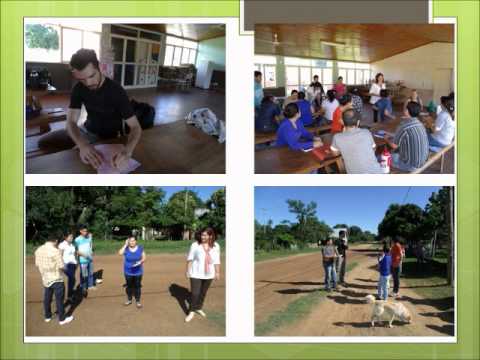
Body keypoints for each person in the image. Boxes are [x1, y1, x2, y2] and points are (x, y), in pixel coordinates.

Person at [50, 49, 141, 170]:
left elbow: (135, 127)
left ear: (99, 68)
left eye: (92, 76)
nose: (88, 83)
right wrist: (82, 144)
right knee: (46, 142)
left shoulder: (116, 91)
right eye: (81, 79)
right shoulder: (78, 89)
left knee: (75, 163)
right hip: (86, 131)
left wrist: (127, 152)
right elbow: (71, 122)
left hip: (110, 137)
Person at [34, 238, 74, 325]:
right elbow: (62, 266)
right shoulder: (55, 251)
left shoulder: (38, 249)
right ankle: (62, 319)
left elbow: (37, 264)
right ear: (55, 240)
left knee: (47, 298)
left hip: (45, 279)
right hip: (56, 279)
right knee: (59, 300)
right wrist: (67, 269)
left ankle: (47, 316)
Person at [185, 228, 221, 322]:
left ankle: (198, 307)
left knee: (203, 293)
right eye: (202, 235)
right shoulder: (195, 245)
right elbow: (190, 259)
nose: (203, 237)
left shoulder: (216, 246)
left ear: (211, 235)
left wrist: (217, 272)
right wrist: (188, 271)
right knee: (195, 293)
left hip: (209, 274)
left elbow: (217, 260)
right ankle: (191, 311)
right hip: (196, 273)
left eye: (205, 235)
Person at [330, 109, 383, 174]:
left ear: (343, 122)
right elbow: (374, 148)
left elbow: (334, 153)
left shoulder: (337, 137)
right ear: (358, 122)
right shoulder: (366, 132)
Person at [383, 101, 429, 172]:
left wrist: (386, 139)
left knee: (386, 157)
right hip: (423, 160)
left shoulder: (403, 126)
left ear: (407, 111)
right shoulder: (420, 124)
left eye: (405, 108)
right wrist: (392, 134)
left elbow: (394, 146)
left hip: (411, 165)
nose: (404, 109)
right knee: (398, 150)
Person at [118, 235, 146, 308]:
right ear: (128, 241)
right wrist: (125, 244)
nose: (132, 242)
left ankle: (138, 301)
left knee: (137, 286)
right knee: (129, 286)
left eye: (133, 240)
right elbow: (120, 253)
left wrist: (140, 262)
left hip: (138, 271)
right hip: (128, 272)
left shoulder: (140, 248)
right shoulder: (126, 249)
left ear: (136, 241)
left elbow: (144, 257)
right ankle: (129, 299)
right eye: (130, 241)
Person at [74, 226, 95, 297]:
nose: (86, 232)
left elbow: (91, 245)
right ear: (81, 231)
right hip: (83, 260)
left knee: (91, 272)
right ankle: (83, 287)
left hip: (90, 258)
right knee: (83, 274)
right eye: (84, 231)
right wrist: (83, 255)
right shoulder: (77, 239)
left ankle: (90, 285)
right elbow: (76, 250)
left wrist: (91, 251)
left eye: (86, 231)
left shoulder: (88, 237)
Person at [58, 233, 77, 303]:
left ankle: (70, 295)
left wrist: (76, 262)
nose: (72, 238)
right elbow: (59, 255)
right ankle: (69, 296)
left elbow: (74, 255)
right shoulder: (62, 245)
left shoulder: (72, 245)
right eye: (70, 236)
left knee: (71, 280)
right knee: (72, 279)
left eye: (72, 236)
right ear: (66, 237)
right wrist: (62, 265)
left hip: (73, 265)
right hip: (66, 264)